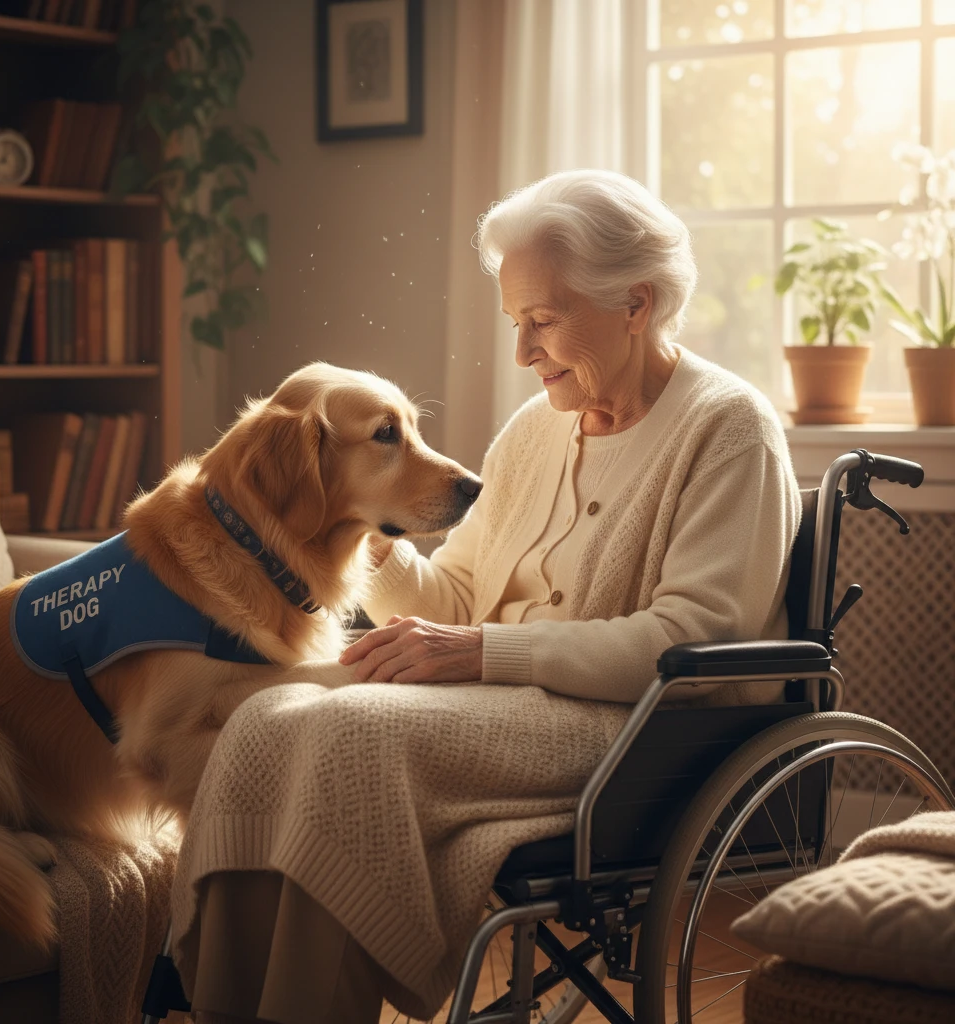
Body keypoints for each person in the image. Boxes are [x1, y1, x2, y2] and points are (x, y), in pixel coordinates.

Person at [182, 168, 801, 1024]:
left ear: (636, 304)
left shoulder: (728, 427)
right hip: (496, 707)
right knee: (263, 719)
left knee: (350, 739)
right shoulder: (535, 427)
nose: (522, 352)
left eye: (543, 321)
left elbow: (693, 637)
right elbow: (457, 593)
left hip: (630, 734)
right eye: (517, 322)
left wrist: (480, 652)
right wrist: (367, 524)